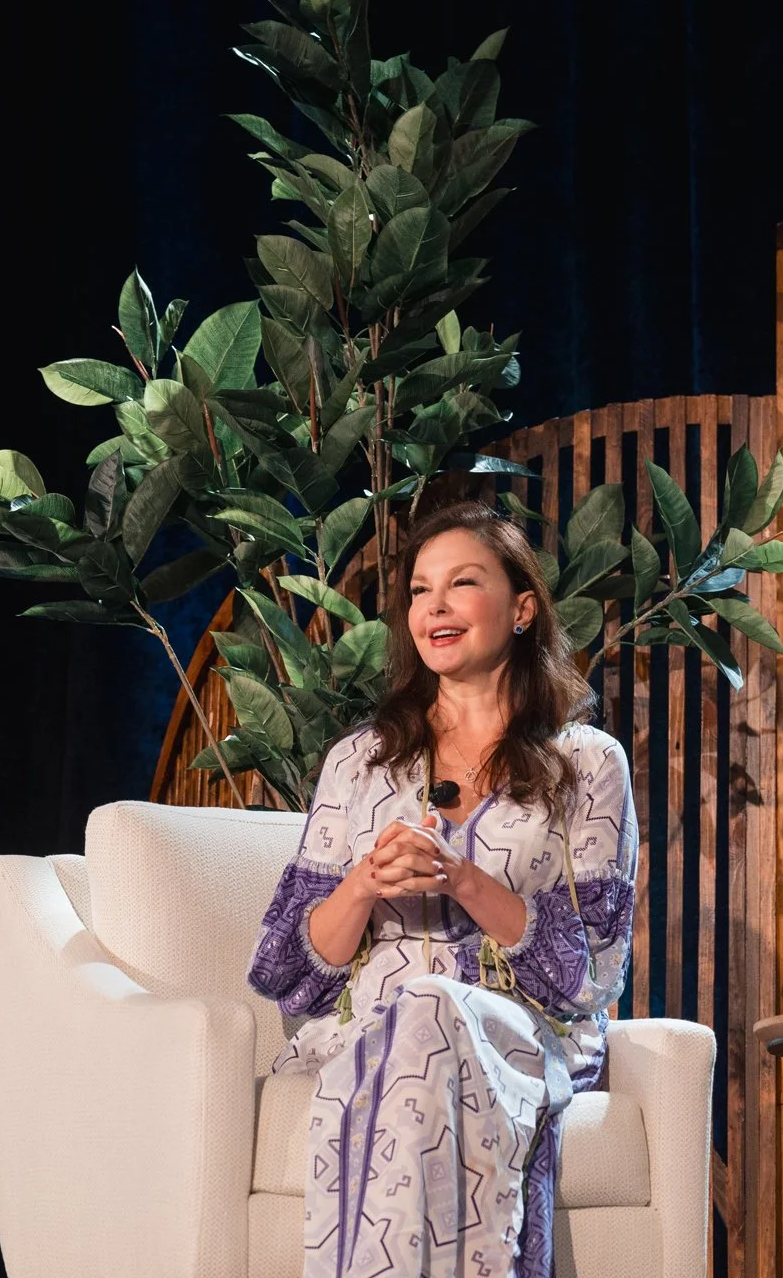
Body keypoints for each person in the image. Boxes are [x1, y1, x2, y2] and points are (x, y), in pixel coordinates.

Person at [246, 500, 638, 1278]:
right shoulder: (361, 761)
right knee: (415, 1014)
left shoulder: (587, 763)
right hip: (369, 1032)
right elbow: (290, 975)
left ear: (522, 608)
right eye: (421, 591)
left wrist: (462, 880)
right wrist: (362, 884)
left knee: (432, 1006)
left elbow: (591, 971)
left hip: (520, 1035)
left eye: (462, 583)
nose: (435, 607)